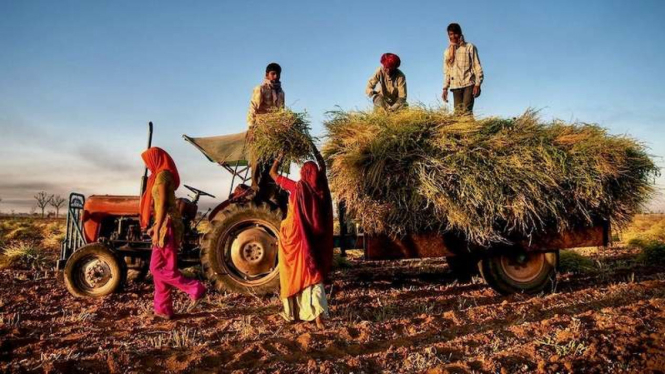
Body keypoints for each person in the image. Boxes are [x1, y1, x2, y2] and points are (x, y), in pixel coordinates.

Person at [269, 144, 334, 330]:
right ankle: (318, 315)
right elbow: (323, 165)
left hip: (294, 237)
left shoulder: (297, 187)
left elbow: (273, 174)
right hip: (313, 239)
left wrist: (280, 155)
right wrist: (313, 147)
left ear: (304, 173)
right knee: (313, 273)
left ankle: (294, 312)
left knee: (294, 272)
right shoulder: (321, 187)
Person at [140, 147, 206, 320]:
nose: (147, 166)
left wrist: (157, 228)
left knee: (156, 268)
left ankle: (194, 287)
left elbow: (162, 205)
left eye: (148, 161)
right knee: (162, 268)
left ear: (155, 159)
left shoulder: (162, 175)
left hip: (167, 225)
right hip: (164, 224)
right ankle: (163, 309)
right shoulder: (161, 175)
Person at [247, 62, 286, 204]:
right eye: (273, 74)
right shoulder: (261, 89)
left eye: (278, 74)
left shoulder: (281, 93)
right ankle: (254, 189)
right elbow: (252, 108)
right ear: (267, 75)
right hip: (260, 130)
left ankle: (269, 191)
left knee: (273, 162)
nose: (275, 76)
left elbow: (281, 113)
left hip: (273, 133)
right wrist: (251, 128)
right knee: (257, 160)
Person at [442, 23, 484, 116]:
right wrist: (445, 88)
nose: (453, 36)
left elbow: (477, 66)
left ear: (460, 33)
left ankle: (471, 129)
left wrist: (477, 84)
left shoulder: (469, 47)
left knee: (466, 111)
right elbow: (447, 71)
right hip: (455, 86)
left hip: (468, 84)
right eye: (451, 34)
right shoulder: (447, 52)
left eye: (455, 33)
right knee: (458, 114)